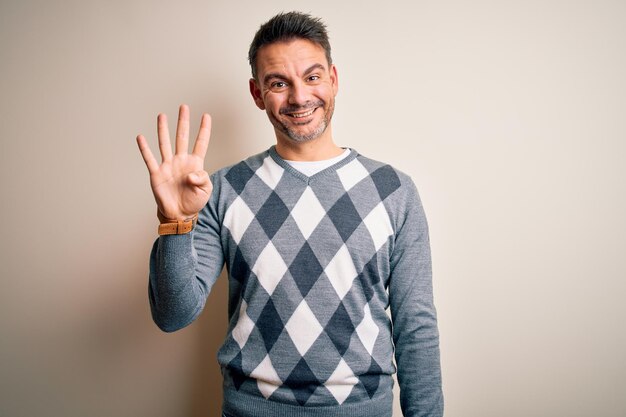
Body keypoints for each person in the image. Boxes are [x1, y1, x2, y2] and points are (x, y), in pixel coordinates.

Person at [136, 11, 443, 417]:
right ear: (257, 93)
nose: (299, 97)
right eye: (279, 83)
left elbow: (416, 328)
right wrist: (175, 223)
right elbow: (173, 316)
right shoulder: (221, 190)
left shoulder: (394, 191)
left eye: (312, 77)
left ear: (333, 79)